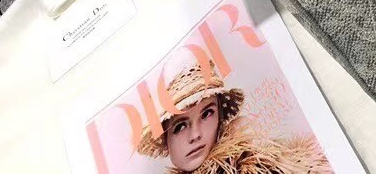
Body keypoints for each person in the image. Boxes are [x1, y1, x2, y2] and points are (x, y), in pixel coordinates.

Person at [136, 61, 332, 174]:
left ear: (220, 117)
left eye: (206, 114)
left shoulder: (251, 162)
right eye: (180, 126)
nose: (195, 135)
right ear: (165, 140)